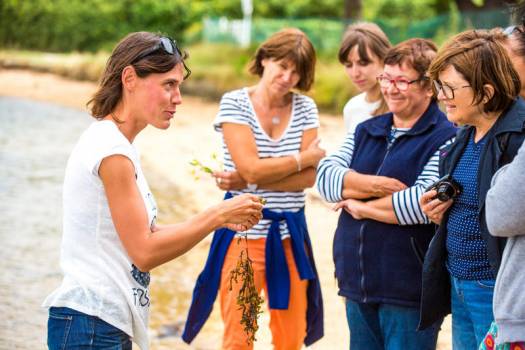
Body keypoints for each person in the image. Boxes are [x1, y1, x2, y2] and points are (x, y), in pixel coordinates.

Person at [42, 32, 264, 350]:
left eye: (179, 86)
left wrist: (219, 219)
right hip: (90, 326)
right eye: (168, 84)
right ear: (129, 78)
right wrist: (217, 214)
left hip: (99, 323)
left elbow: (144, 235)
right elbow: (144, 252)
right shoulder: (111, 150)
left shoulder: (116, 145)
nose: (178, 98)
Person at [182, 28, 326, 350]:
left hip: (290, 235)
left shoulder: (306, 108)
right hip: (243, 235)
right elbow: (250, 167)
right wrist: (303, 157)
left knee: (290, 339)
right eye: (282, 66)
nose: (288, 77)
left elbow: (308, 179)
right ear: (264, 59)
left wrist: (248, 180)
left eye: (296, 71)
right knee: (239, 338)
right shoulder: (235, 103)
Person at [316, 38, 456, 349]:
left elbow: (421, 204)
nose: (390, 89)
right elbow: (324, 180)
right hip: (357, 281)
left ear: (428, 87)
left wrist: (359, 205)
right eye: (386, 78)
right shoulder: (367, 129)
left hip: (409, 290)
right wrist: (378, 186)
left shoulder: (448, 137)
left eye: (402, 81)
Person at [419, 29, 525, 349]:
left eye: (448, 88)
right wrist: (439, 212)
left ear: (486, 92)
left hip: (497, 291)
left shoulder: (516, 138)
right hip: (459, 281)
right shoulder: (466, 132)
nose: (440, 96)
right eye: (438, 86)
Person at [338, 22, 391, 133]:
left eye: (363, 63)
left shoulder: (399, 106)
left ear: (384, 58)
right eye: (348, 65)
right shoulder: (352, 107)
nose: (355, 73)